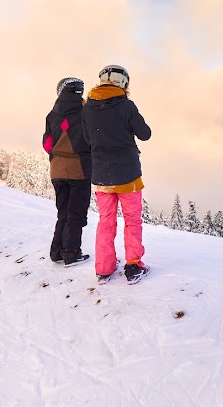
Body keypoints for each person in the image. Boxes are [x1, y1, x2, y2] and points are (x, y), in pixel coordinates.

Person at [82, 64, 152, 284]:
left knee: (106, 220)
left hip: (101, 174)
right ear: (123, 83)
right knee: (132, 220)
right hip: (128, 174)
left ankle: (104, 269)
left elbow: (87, 139)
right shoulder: (126, 106)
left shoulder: (87, 108)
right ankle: (133, 265)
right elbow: (145, 134)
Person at [42, 77, 92, 266]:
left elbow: (47, 145)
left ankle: (56, 252)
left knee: (63, 213)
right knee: (76, 214)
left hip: (57, 170)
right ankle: (71, 252)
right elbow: (91, 140)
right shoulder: (86, 112)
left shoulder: (52, 115)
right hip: (80, 169)